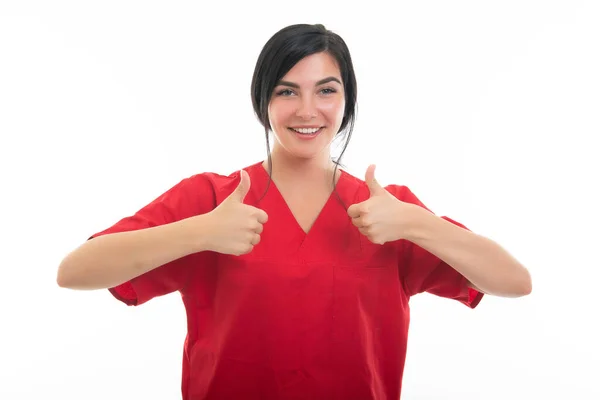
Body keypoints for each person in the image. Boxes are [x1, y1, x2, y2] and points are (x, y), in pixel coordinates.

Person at [57, 23, 532, 400]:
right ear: (262, 101)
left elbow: (514, 282)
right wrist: (199, 233)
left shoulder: (388, 210)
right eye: (287, 91)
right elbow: (75, 271)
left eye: (326, 90)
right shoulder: (212, 200)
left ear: (346, 100)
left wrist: (416, 223)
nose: (307, 110)